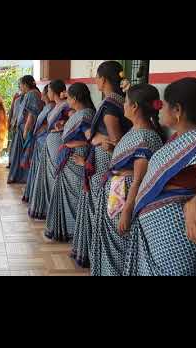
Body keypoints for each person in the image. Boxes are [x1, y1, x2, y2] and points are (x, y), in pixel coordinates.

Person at [126, 77, 196, 276]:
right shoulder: (179, 138)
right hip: (160, 235)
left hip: (175, 237)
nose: (160, 109)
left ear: (177, 110)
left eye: (165, 105)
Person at [89, 84, 165, 276]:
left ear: (135, 107)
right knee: (111, 249)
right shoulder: (135, 131)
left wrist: (127, 210)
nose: (123, 107)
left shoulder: (146, 137)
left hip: (125, 199)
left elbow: (139, 178)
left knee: (119, 249)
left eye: (126, 103)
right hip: (117, 192)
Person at [70, 60, 132, 268]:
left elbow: (117, 144)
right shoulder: (117, 101)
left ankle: (100, 260)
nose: (95, 81)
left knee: (100, 210)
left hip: (107, 164)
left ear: (103, 79)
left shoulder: (109, 107)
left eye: (96, 77)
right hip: (103, 161)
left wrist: (98, 140)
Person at [44, 83, 95, 240]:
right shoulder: (81, 113)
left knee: (74, 196)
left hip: (76, 158)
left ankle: (74, 231)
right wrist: (65, 125)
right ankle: (67, 229)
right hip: (70, 157)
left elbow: (91, 140)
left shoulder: (85, 114)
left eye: (69, 97)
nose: (68, 100)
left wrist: (74, 146)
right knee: (68, 195)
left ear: (76, 98)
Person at [27, 80, 70, 219]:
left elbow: (72, 121)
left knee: (54, 176)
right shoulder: (57, 106)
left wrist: (64, 125)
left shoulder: (65, 106)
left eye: (49, 90)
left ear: (54, 91)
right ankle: (48, 207)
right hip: (50, 143)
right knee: (48, 176)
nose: (47, 93)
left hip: (57, 143)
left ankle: (54, 209)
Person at [22, 84, 55, 203]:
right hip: (39, 140)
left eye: (45, 92)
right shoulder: (47, 106)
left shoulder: (52, 107)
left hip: (43, 140)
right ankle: (34, 194)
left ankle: (40, 197)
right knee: (36, 168)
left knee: (41, 169)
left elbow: (50, 125)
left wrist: (38, 130)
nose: (41, 94)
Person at [7, 75, 41, 184]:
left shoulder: (32, 94)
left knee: (22, 154)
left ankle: (22, 177)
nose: (20, 87)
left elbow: (31, 114)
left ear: (25, 85)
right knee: (19, 153)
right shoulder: (29, 94)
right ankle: (18, 176)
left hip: (26, 129)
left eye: (20, 84)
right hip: (22, 128)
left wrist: (26, 130)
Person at [7, 89, 22, 169]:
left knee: (17, 145)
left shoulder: (28, 97)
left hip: (21, 125)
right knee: (13, 144)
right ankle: (11, 162)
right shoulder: (17, 96)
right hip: (14, 123)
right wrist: (9, 122)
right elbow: (12, 110)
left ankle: (15, 163)